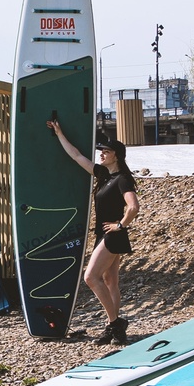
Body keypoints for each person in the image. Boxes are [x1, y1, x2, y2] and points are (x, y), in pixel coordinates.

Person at [45, 120, 140, 345]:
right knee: (110, 281)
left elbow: (134, 207)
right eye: (101, 152)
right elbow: (77, 156)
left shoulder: (122, 179)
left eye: (106, 152)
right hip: (104, 234)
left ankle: (115, 323)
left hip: (113, 234)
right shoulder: (104, 176)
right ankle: (115, 329)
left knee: (90, 277)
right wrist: (60, 133)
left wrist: (121, 225)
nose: (101, 154)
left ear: (116, 155)